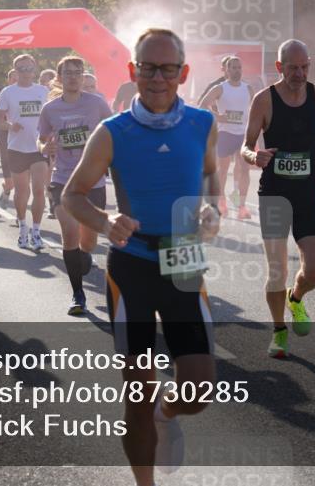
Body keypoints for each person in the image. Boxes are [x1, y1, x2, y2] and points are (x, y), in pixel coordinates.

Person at [63, 28, 220, 485]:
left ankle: (166, 412)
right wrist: (105, 221)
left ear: (183, 73)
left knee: (197, 390)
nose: (156, 78)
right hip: (131, 265)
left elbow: (210, 177)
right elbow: (73, 197)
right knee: (136, 392)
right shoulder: (112, 132)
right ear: (133, 71)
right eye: (147, 68)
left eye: (167, 69)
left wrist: (210, 207)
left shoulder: (202, 124)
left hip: (184, 259)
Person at [242, 39, 315, 358]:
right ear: (279, 67)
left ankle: (296, 298)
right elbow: (246, 146)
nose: (299, 74)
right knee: (276, 270)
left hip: (308, 194)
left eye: (304, 67)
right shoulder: (264, 100)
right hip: (273, 195)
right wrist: (253, 156)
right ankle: (278, 331)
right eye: (292, 68)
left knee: (314, 270)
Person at [39, 56, 112, 314]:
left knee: (88, 241)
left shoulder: (97, 104)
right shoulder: (50, 109)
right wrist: (44, 146)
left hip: (93, 180)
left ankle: (84, 253)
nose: (73, 76)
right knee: (69, 232)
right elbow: (41, 139)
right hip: (62, 180)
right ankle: (77, 294)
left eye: (77, 72)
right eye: (67, 73)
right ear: (59, 78)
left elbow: (114, 131)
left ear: (83, 77)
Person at [0, 55, 51, 250]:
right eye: (21, 69)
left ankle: (36, 231)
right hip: (17, 148)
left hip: (38, 147)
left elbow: (52, 116)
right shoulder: (8, 92)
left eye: (29, 68)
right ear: (15, 70)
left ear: (34, 69)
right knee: (21, 191)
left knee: (38, 190)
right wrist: (10, 125)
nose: (26, 72)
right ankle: (22, 227)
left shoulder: (43, 91)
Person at [200, 55, 255, 219]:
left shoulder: (248, 88)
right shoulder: (220, 88)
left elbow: (255, 109)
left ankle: (242, 206)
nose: (237, 70)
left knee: (245, 169)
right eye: (233, 67)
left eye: (239, 67)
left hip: (243, 134)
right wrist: (218, 116)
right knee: (222, 170)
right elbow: (203, 105)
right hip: (225, 134)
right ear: (226, 70)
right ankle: (222, 202)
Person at [0, 69, 18, 207]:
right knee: (10, 181)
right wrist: (7, 125)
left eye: (18, 77)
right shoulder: (1, 97)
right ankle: (6, 189)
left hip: (25, 139)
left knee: (21, 178)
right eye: (13, 78)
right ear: (8, 80)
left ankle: (20, 214)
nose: (16, 80)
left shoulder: (30, 97)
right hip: (6, 138)